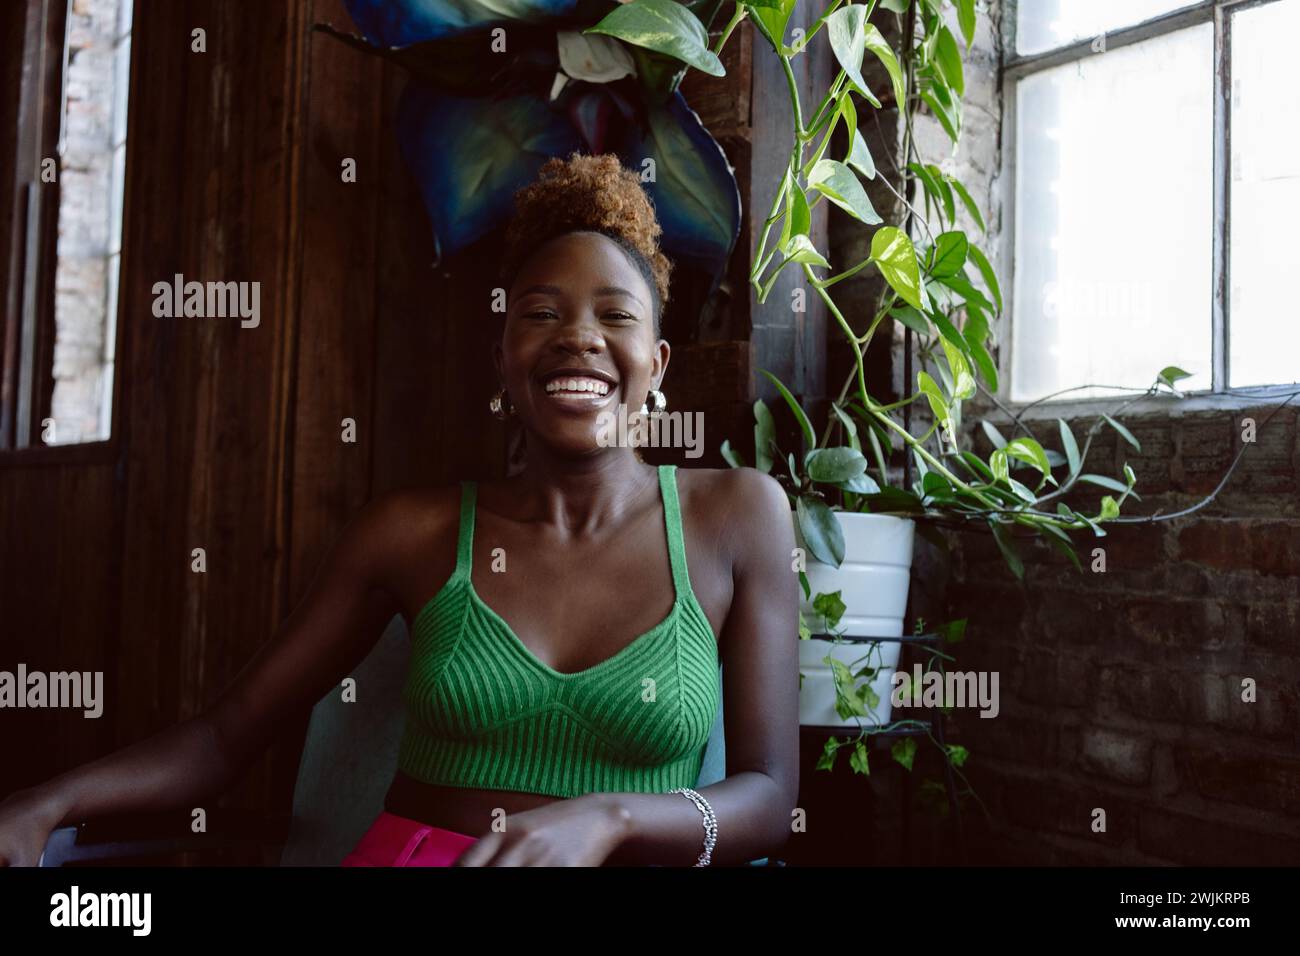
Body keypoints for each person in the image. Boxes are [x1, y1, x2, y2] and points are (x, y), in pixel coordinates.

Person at [0, 151, 801, 867]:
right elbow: (225, 735)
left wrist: (612, 820)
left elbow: (768, 797)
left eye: (615, 315)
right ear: (503, 360)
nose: (578, 338)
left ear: (657, 364)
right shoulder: (410, 533)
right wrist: (46, 803)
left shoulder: (735, 516)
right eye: (541, 313)